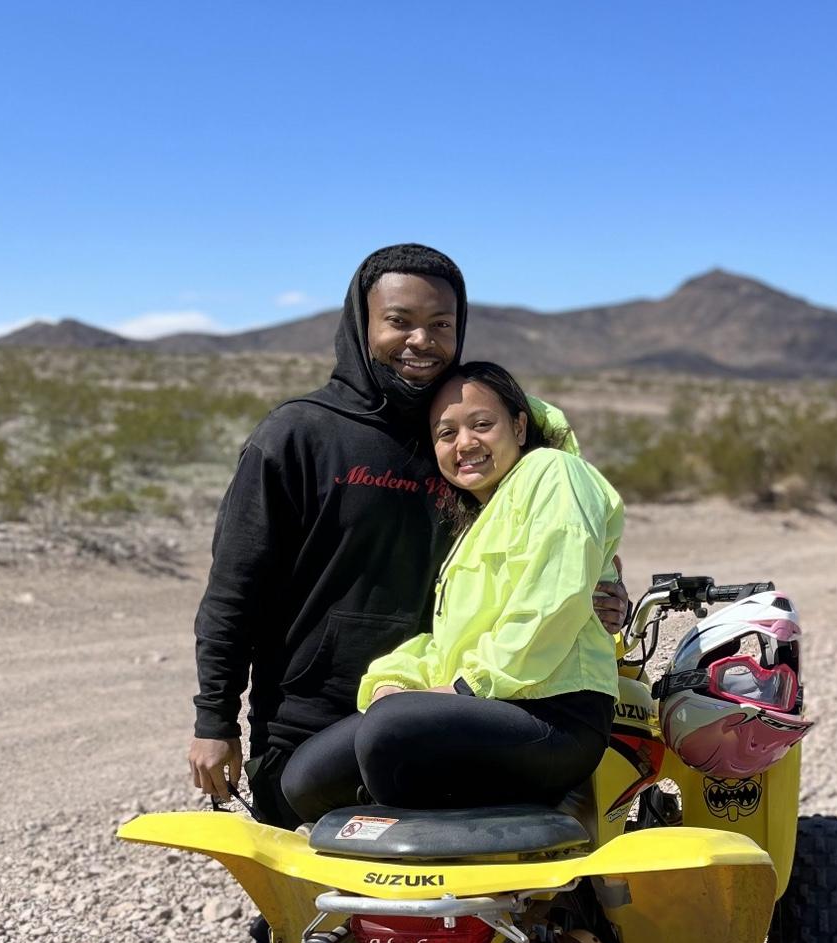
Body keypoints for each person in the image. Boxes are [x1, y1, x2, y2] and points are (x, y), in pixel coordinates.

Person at [187, 244, 625, 826]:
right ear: (361, 323)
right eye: (400, 321)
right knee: (311, 899)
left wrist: (603, 579)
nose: (422, 340)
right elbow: (234, 590)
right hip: (314, 719)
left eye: (440, 324)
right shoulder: (298, 434)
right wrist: (214, 720)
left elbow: (555, 538)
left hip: (465, 713)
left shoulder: (467, 451)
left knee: (458, 892)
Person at [280, 361, 624, 821]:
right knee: (305, 778)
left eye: (483, 424)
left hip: (555, 715)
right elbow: (446, 643)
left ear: (519, 427)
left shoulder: (553, 472)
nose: (465, 443)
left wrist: (465, 688)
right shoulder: (471, 525)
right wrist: (395, 681)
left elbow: (550, 606)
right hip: (484, 709)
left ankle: (452, 873)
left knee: (391, 733)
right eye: (447, 434)